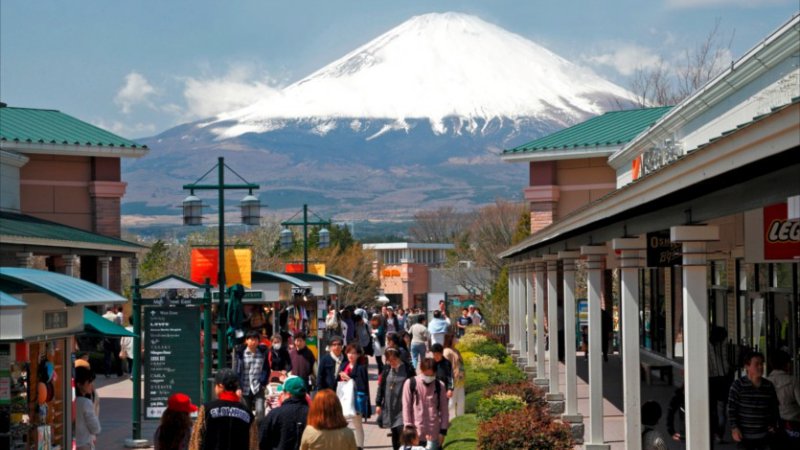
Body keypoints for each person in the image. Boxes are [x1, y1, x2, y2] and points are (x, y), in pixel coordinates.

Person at [188, 368, 257, 450]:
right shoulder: (248, 413)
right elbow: (253, 444)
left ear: (220, 386)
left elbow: (196, 439)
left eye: (215, 385)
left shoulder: (207, 409)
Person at [727, 351, 780, 449]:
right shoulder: (738, 385)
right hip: (744, 438)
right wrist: (734, 428)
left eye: (762, 364)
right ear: (747, 366)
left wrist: (773, 424)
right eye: (757, 364)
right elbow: (731, 409)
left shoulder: (768, 386)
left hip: (765, 437)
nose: (760, 367)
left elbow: (774, 408)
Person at [403, 358, 449, 450]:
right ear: (421, 370)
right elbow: (406, 407)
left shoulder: (440, 386)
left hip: (434, 435)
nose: (428, 377)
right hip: (415, 436)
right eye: (426, 374)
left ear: (435, 373)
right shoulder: (410, 383)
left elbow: (444, 411)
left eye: (431, 375)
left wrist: (442, 432)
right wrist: (408, 429)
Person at [376, 348, 416, 450]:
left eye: (394, 360)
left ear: (399, 358)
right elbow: (381, 386)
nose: (391, 362)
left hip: (403, 405)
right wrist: (378, 403)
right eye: (389, 360)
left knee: (401, 430)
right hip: (390, 406)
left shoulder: (408, 369)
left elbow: (415, 385)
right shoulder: (386, 368)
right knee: (394, 432)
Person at [258, 377, 309, 450]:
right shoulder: (312, 414)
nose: (281, 394)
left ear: (288, 394)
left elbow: (263, 439)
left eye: (283, 392)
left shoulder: (275, 414)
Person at [234, 331, 271, 421]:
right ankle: (249, 432)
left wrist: (263, 382)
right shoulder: (241, 354)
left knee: (260, 411)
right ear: (246, 341)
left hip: (258, 386)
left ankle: (259, 431)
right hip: (245, 386)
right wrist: (238, 386)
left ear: (258, 341)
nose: (253, 341)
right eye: (251, 339)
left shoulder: (262, 353)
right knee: (246, 413)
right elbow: (237, 371)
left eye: (255, 339)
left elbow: (266, 369)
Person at [766, 350, 800, 446]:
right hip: (793, 424)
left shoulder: (765, 382)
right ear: (787, 364)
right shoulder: (793, 381)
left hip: (772, 424)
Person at [341, 343, 370, 450]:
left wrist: (349, 379)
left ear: (358, 355)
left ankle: (359, 446)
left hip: (356, 400)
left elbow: (362, 386)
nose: (351, 355)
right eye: (349, 352)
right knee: (341, 425)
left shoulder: (361, 368)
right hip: (344, 400)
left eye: (353, 353)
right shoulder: (344, 366)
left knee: (358, 425)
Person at [709, 326, 732, 443]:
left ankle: (717, 433)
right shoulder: (719, 345)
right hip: (719, 379)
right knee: (719, 408)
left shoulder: (714, 345)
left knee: (717, 408)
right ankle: (718, 433)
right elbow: (725, 361)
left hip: (716, 379)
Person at [75, 366, 101, 450]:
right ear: (79, 384)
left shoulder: (70, 401)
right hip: (84, 443)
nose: (91, 385)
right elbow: (95, 428)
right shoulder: (85, 403)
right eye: (89, 382)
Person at [442, 334, 465, 418]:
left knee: (461, 402)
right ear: (450, 339)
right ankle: (449, 420)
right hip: (453, 380)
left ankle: (460, 419)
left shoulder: (456, 350)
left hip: (460, 379)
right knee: (451, 402)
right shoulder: (447, 351)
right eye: (455, 337)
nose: (457, 339)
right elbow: (445, 366)